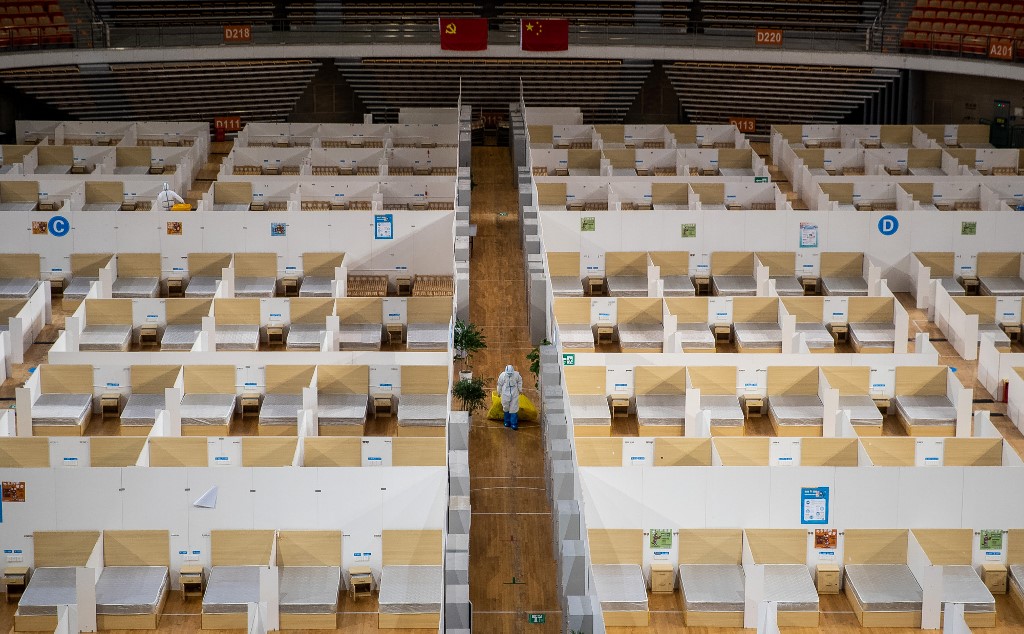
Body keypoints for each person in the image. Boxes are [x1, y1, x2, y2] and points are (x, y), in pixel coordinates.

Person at [496, 364, 523, 430]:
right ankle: (507, 421)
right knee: (506, 407)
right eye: (509, 373)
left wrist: (520, 389)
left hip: (514, 392)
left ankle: (514, 423)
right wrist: (498, 392)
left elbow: (520, 381)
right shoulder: (502, 375)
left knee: (514, 407)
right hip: (505, 393)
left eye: (511, 373)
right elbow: (499, 384)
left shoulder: (516, 375)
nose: (510, 375)